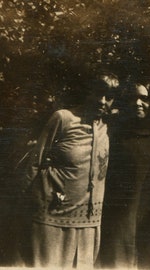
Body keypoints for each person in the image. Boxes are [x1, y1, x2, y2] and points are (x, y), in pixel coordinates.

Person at [22, 76, 115, 268]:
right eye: (98, 93)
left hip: (88, 221)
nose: (102, 100)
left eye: (109, 96)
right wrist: (21, 205)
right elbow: (35, 162)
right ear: (88, 91)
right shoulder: (63, 118)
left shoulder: (106, 127)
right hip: (52, 217)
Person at [99, 82, 150, 269]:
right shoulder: (113, 132)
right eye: (133, 98)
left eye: (144, 98)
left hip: (149, 215)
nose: (138, 103)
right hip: (119, 214)